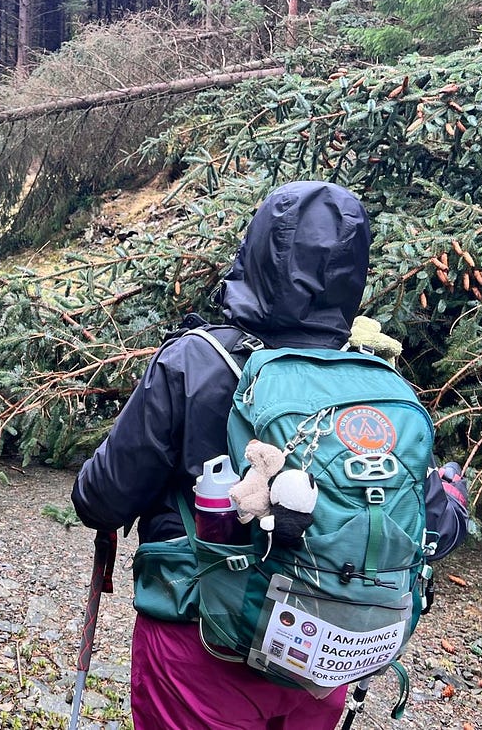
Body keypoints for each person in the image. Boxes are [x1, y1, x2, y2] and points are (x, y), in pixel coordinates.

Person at [72, 180, 372, 730]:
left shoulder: (195, 360)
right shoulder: (369, 385)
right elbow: (431, 524)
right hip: (320, 652)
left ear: (253, 254)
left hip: (201, 643)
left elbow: (102, 498)